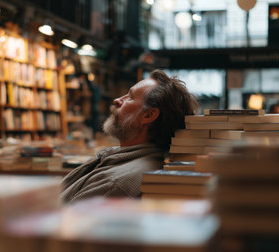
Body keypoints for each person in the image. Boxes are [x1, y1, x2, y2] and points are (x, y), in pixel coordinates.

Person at [61, 69, 198, 203]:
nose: (117, 100)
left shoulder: (116, 183)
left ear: (149, 115)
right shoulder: (116, 161)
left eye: (130, 97)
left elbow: (59, 222)